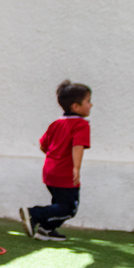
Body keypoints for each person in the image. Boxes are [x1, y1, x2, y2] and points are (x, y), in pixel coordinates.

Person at [20, 80, 92, 241]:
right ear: (76, 106)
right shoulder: (81, 125)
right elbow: (78, 146)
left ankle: (46, 229)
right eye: (88, 101)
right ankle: (34, 214)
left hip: (50, 171)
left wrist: (55, 158)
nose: (91, 105)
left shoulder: (56, 124)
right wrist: (76, 168)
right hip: (65, 173)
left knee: (58, 203)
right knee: (69, 208)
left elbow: (43, 146)